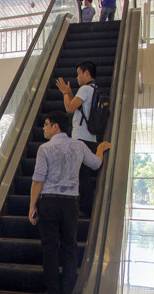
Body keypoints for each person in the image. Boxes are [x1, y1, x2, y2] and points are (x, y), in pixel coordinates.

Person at [28, 111, 110, 294]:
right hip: (71, 203)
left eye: (46, 124)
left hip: (49, 202)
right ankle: (69, 291)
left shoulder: (45, 149)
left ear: (56, 126)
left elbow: (38, 180)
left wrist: (32, 205)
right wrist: (101, 148)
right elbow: (96, 164)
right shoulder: (79, 145)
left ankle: (53, 292)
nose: (44, 128)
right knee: (69, 247)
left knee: (50, 248)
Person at [55, 60, 99, 216]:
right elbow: (78, 106)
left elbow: (69, 108)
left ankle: (84, 208)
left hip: (81, 138)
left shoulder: (85, 88)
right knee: (83, 174)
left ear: (86, 73)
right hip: (91, 139)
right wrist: (70, 94)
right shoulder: (93, 89)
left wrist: (65, 93)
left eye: (79, 73)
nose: (77, 77)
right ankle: (84, 207)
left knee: (81, 175)